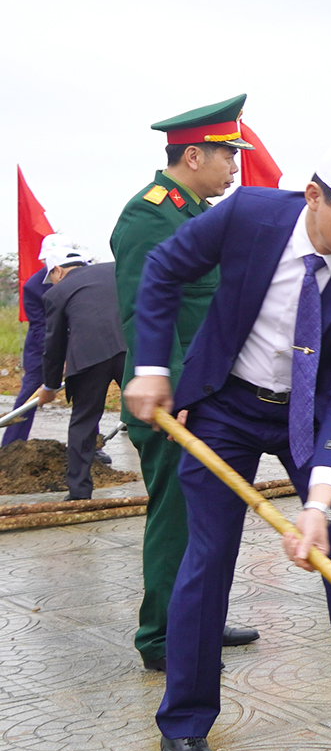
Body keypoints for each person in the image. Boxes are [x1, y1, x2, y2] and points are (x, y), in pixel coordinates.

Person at [124, 134, 331, 751]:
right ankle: (186, 725)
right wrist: (151, 367)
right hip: (225, 401)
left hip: (316, 412)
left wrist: (317, 504)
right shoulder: (250, 213)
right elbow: (165, 269)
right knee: (207, 555)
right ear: (314, 195)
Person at [111, 96, 261, 672]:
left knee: (210, 518)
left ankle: (198, 617)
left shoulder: (197, 215)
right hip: (175, 402)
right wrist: (171, 393)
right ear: (194, 156)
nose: (235, 167)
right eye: (228, 155)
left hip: (211, 395)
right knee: (176, 519)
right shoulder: (150, 215)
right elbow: (145, 310)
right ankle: (163, 639)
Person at [37, 247, 126, 501]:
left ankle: (79, 492)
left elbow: (53, 345)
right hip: (128, 348)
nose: (52, 282)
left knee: (83, 422)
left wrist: (50, 386)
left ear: (58, 270)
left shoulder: (57, 292)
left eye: (51, 275)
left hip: (89, 358)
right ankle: (166, 484)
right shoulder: (113, 269)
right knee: (146, 415)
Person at [3, 234, 70, 447]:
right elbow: (42, 327)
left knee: (87, 396)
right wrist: (56, 359)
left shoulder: (86, 279)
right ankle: (11, 447)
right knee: (29, 397)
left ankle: (90, 448)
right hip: (41, 350)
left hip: (81, 344)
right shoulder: (33, 287)